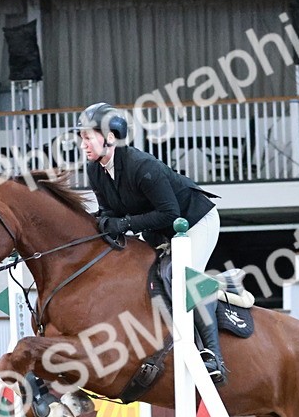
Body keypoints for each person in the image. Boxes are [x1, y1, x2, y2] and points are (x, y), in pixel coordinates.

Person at [77, 102, 227, 383]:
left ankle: (213, 356)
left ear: (110, 137)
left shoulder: (142, 166)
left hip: (195, 221)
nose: (83, 144)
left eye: (88, 137)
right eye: (81, 138)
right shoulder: (95, 170)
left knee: (184, 278)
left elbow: (170, 213)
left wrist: (124, 224)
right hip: (162, 231)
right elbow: (109, 211)